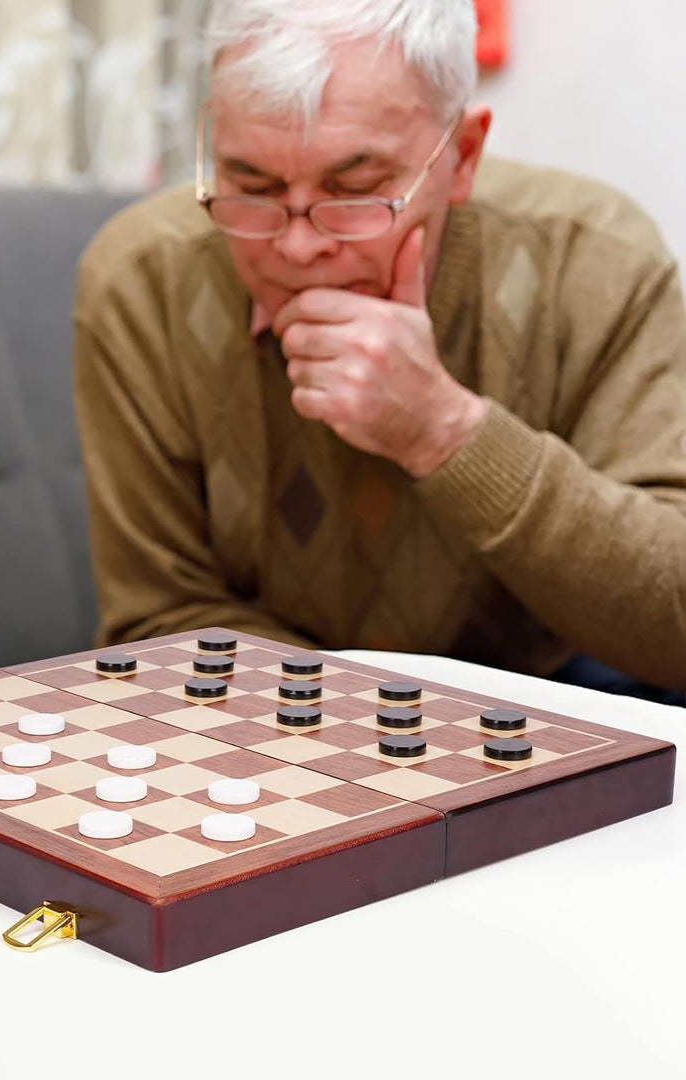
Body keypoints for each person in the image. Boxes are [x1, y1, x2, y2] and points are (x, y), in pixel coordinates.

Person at [73, 0, 686, 704]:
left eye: (356, 191)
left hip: (550, 694)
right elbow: (157, 621)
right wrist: (404, 730)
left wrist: (446, 431)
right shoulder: (140, 280)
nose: (298, 245)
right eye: (252, 186)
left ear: (462, 157)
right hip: (277, 717)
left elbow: (673, 625)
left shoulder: (596, 261)